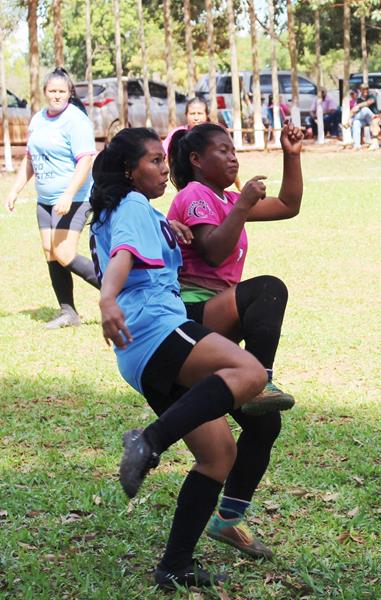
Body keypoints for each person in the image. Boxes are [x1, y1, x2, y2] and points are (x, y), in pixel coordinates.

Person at [89, 127, 278, 590]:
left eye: (161, 159)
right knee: (249, 371)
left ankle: (174, 567)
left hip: (137, 355)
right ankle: (148, 441)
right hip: (156, 328)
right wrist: (107, 298)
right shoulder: (133, 205)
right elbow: (122, 256)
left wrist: (165, 228)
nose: (162, 168)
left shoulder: (129, 210)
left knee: (218, 455)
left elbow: (124, 245)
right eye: (154, 161)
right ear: (131, 170)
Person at [166, 122, 303, 559]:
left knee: (265, 424)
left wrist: (292, 155)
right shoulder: (194, 196)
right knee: (268, 289)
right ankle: (258, 380)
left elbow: (289, 206)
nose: (232, 158)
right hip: (191, 317)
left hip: (216, 315)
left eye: (234, 151)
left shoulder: (225, 199)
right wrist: (242, 204)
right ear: (195, 160)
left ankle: (228, 520)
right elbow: (213, 252)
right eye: (222, 151)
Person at [4, 67, 99, 329]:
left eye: (61, 91)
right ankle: (68, 312)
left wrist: (68, 195)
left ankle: (120, 294)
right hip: (45, 201)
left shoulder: (76, 120)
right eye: (52, 91)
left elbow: (86, 161)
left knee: (65, 253)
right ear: (45, 92)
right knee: (51, 253)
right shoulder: (37, 120)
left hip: (75, 198)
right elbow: (30, 159)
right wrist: (14, 190)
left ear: (69, 93)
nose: (56, 96)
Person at [350, 83, 378, 149]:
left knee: (365, 109)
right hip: (364, 119)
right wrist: (350, 116)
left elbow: (368, 103)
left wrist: (357, 106)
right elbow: (356, 110)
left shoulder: (372, 96)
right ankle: (356, 145)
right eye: (363, 89)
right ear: (360, 90)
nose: (365, 90)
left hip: (373, 117)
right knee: (356, 122)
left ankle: (352, 120)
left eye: (366, 89)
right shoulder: (359, 99)